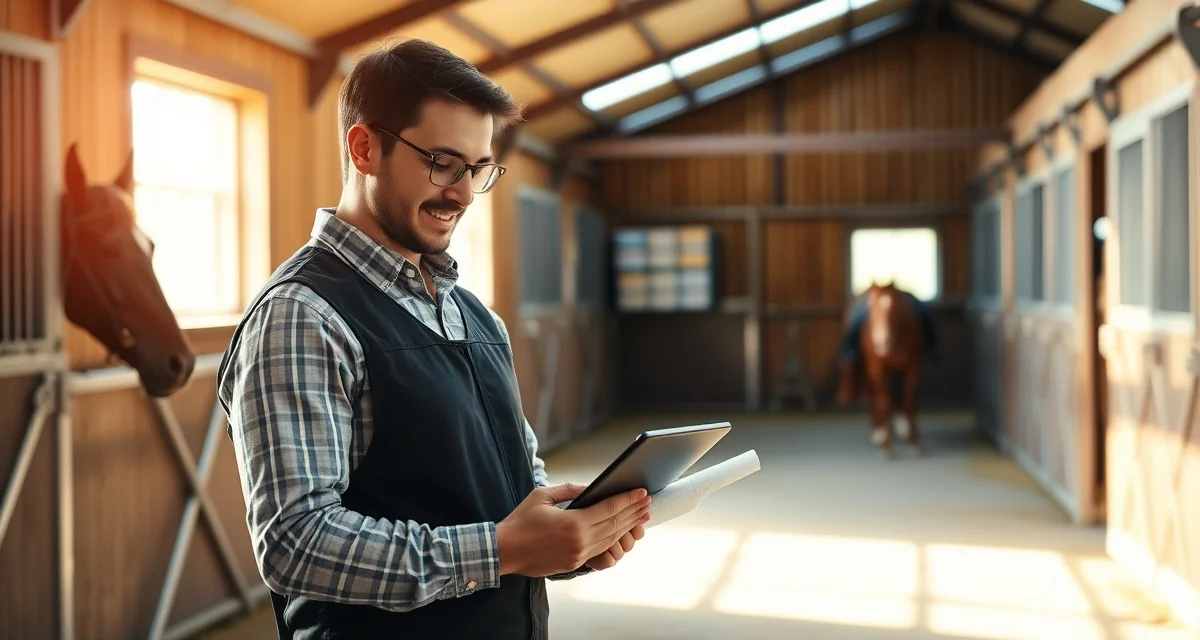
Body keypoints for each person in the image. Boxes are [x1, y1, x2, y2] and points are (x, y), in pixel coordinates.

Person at [216, 39, 651, 640]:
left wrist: (569, 539)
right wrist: (501, 551)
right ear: (364, 148)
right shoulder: (301, 315)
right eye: (442, 163)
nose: (464, 193)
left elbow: (511, 497)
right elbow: (296, 544)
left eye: (477, 170)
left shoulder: (477, 317)